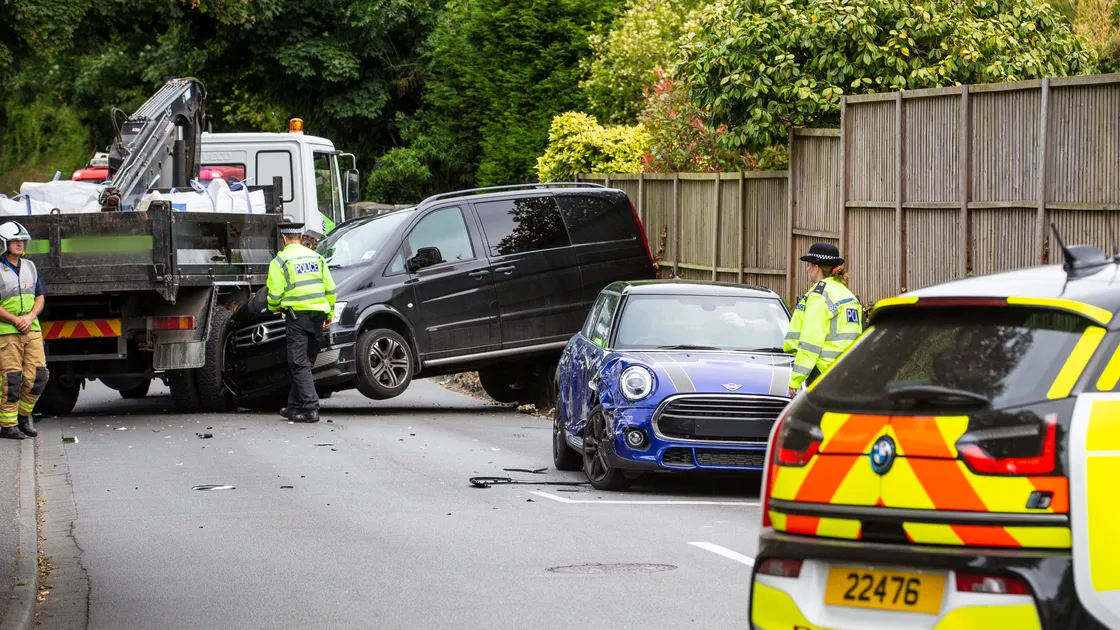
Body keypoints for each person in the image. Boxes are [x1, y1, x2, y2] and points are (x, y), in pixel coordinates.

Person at [266, 220, 336, 423]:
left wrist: (273, 307)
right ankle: (294, 406)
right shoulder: (317, 258)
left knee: (298, 363)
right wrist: (329, 313)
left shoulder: (280, 261)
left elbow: (275, 294)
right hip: (318, 316)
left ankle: (310, 408)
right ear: (300, 237)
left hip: (297, 317)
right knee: (305, 362)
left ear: (284, 238)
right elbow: (330, 289)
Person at [787, 242, 862, 397]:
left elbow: (811, 341)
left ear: (816, 267)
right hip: (845, 372)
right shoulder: (848, 295)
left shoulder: (820, 295)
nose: (807, 269)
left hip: (822, 372)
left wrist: (796, 379)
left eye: (809, 265)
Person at [0, 222, 48, 440]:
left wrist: (29, 318)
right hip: (7, 331)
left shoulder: (30, 266)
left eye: (22, 240)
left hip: (31, 329)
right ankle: (8, 425)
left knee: (38, 375)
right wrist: (15, 320)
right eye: (15, 240)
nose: (20, 243)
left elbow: (40, 297)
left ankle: (23, 415)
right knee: (11, 379)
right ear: (3, 243)